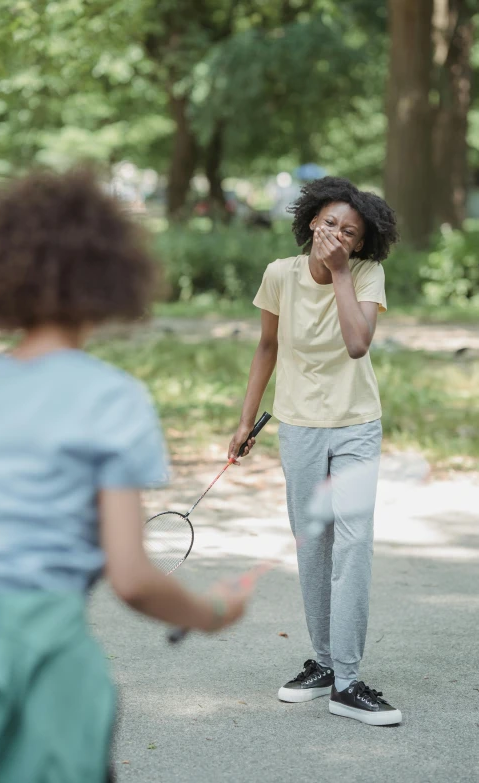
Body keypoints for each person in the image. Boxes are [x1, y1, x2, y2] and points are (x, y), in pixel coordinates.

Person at [0, 168, 250, 783]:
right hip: (45, 677)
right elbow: (134, 579)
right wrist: (211, 611)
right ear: (109, 270)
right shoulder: (112, 400)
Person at [229, 176, 402, 726]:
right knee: (314, 548)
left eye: (349, 232)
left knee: (353, 547)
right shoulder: (280, 275)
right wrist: (245, 421)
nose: (336, 235)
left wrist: (343, 274)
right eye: (329, 223)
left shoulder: (366, 274)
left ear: (360, 243)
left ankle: (347, 682)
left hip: (356, 426)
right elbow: (267, 346)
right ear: (310, 223)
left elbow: (357, 343)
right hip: (299, 427)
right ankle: (324, 663)